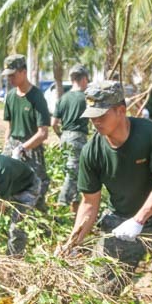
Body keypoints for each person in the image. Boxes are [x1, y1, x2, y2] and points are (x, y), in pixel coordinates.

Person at [60, 81, 152, 304]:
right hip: (120, 222)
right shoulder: (91, 151)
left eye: (101, 115)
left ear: (121, 111)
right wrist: (72, 243)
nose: (95, 122)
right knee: (99, 295)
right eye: (92, 116)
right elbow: (89, 204)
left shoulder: (151, 135)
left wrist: (139, 219)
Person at [1, 54, 51, 212]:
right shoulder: (10, 97)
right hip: (13, 145)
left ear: (23, 72)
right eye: (8, 76)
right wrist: (6, 150)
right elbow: (8, 127)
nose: (10, 79)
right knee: (5, 186)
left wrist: (24, 148)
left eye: (13, 75)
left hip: (32, 148)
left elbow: (43, 133)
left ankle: (38, 222)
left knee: (37, 187)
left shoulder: (37, 97)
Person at [52, 64, 89, 212]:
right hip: (78, 137)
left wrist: (61, 136)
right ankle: (61, 205)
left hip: (65, 137)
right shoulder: (85, 98)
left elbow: (53, 123)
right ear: (84, 79)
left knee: (74, 172)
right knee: (73, 173)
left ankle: (75, 208)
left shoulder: (63, 98)